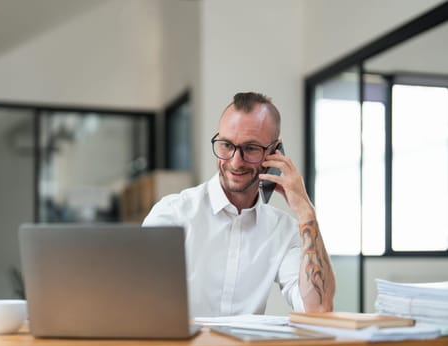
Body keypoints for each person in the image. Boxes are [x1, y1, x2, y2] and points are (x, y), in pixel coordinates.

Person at [142, 92, 335, 317]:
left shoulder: (284, 230)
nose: (235, 161)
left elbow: (318, 309)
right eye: (226, 145)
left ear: (275, 152)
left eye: (251, 148)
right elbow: (139, 301)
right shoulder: (172, 215)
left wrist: (306, 212)